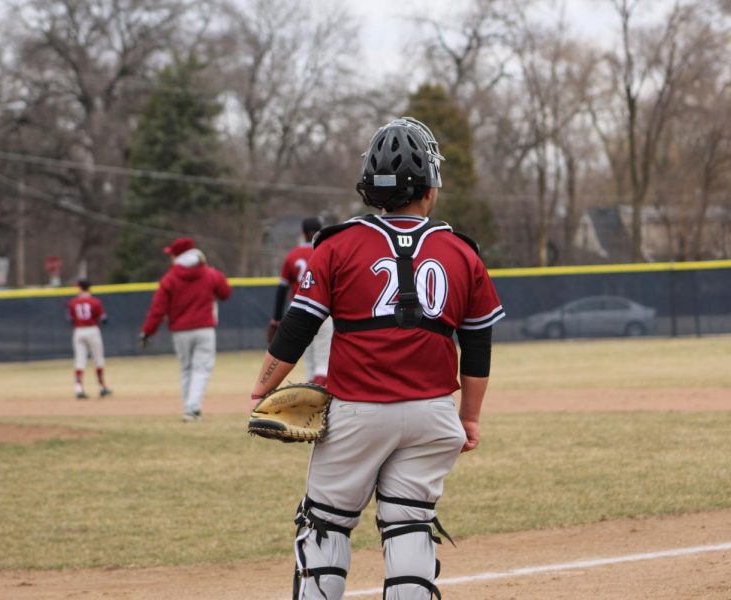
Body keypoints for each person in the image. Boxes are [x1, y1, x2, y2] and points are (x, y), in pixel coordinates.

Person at [249, 116, 504, 600]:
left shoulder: (336, 245)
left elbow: (297, 328)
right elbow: (478, 344)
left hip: (357, 411)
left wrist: (263, 387)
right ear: (430, 190)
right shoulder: (462, 251)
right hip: (432, 414)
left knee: (325, 523)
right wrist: (468, 417)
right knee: (409, 523)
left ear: (368, 187)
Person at [140, 237, 232, 422]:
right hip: (204, 329)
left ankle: (190, 408)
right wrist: (213, 273)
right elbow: (225, 293)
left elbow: (158, 309)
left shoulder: (170, 278)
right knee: (201, 369)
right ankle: (192, 408)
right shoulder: (209, 273)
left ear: (178, 255)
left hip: (180, 331)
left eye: (172, 254)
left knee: (186, 369)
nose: (170, 258)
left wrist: (148, 332)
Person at [267, 217, 333, 385]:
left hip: (299, 310)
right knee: (323, 360)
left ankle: (311, 393)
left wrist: (276, 318)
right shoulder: (327, 250)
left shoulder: (292, 255)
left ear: (303, 234)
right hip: (324, 308)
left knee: (309, 358)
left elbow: (282, 289)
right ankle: (319, 395)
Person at [67, 279, 111, 399]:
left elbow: (69, 319)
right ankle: (101, 387)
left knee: (79, 361)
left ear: (81, 288)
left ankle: (78, 388)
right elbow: (104, 319)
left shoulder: (73, 302)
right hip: (92, 330)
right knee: (98, 360)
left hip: (79, 331)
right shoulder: (95, 301)